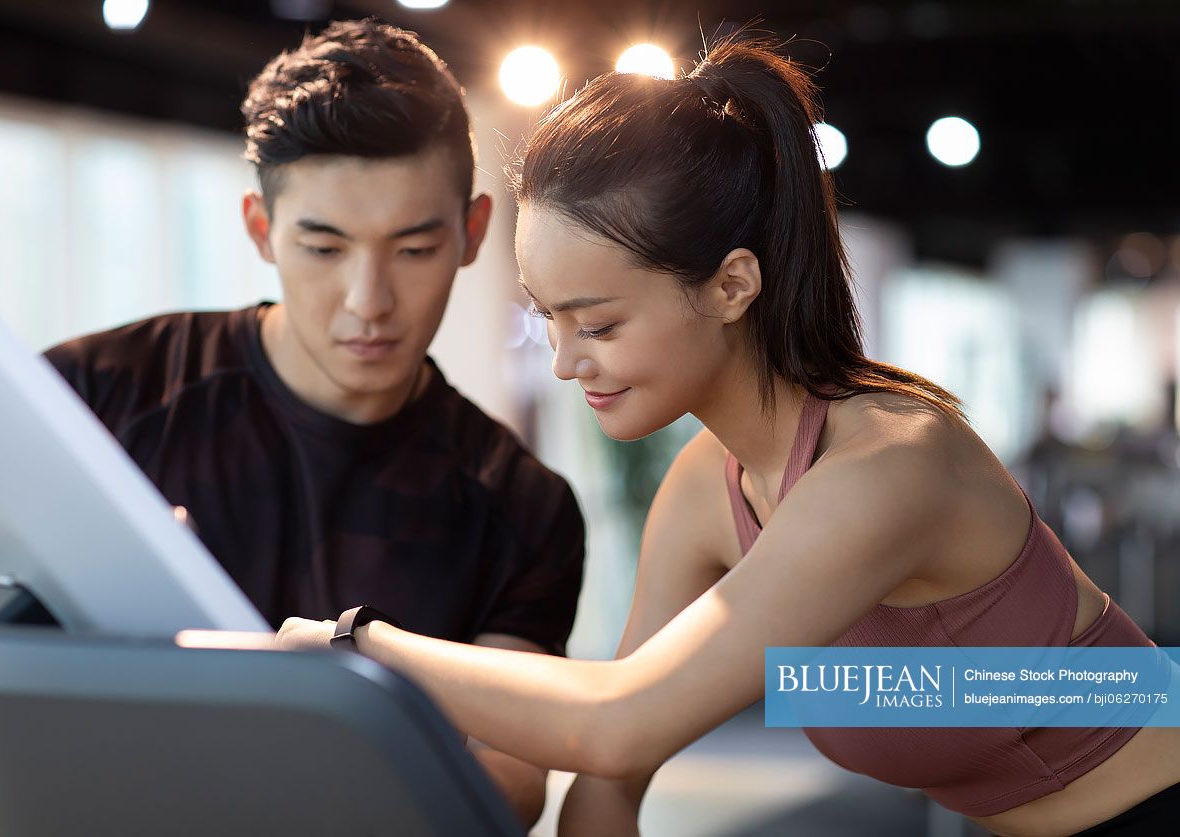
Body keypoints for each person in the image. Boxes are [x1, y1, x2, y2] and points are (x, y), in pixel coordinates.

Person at [276, 32, 1180, 837]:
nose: (562, 360)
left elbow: (618, 716)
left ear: (731, 285)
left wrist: (360, 645)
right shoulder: (709, 486)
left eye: (596, 322)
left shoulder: (888, 468)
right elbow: (611, 770)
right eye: (546, 317)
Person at [42, 20, 583, 826]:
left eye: (412, 249)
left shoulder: (522, 506)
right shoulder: (91, 395)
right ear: (261, 228)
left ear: (470, 234)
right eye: (324, 248)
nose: (368, 301)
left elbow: (505, 781)